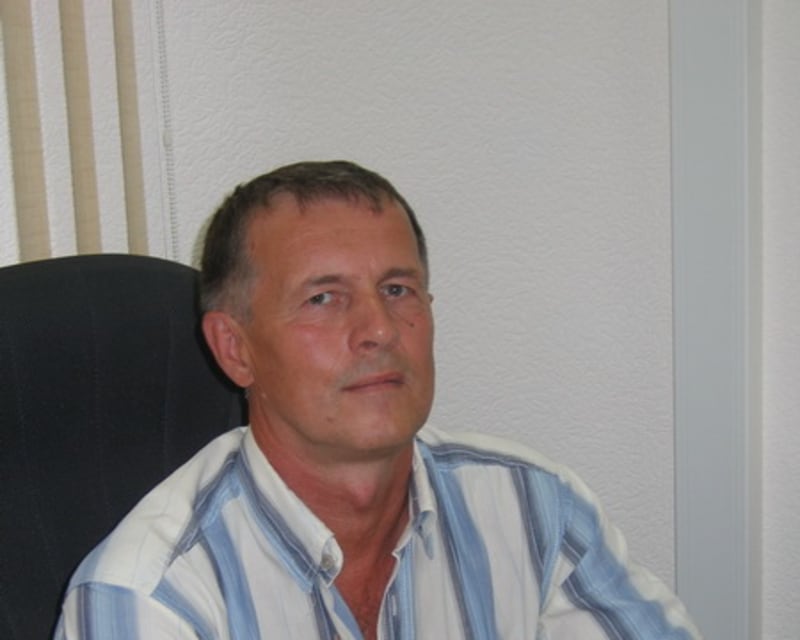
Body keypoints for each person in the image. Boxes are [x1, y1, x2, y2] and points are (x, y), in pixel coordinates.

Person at [55, 160, 701, 639]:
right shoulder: (148, 599)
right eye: (323, 298)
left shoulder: (535, 510)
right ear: (235, 349)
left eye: (397, 290)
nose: (380, 331)